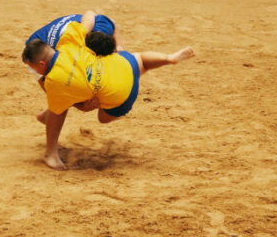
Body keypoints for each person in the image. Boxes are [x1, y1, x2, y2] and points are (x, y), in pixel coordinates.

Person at [22, 12, 195, 170]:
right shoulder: (72, 40)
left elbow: (70, 102)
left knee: (99, 115)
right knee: (138, 59)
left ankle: (50, 153)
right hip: (125, 64)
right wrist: (119, 49)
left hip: (122, 96)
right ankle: (168, 58)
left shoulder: (56, 77)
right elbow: (93, 15)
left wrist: (84, 106)